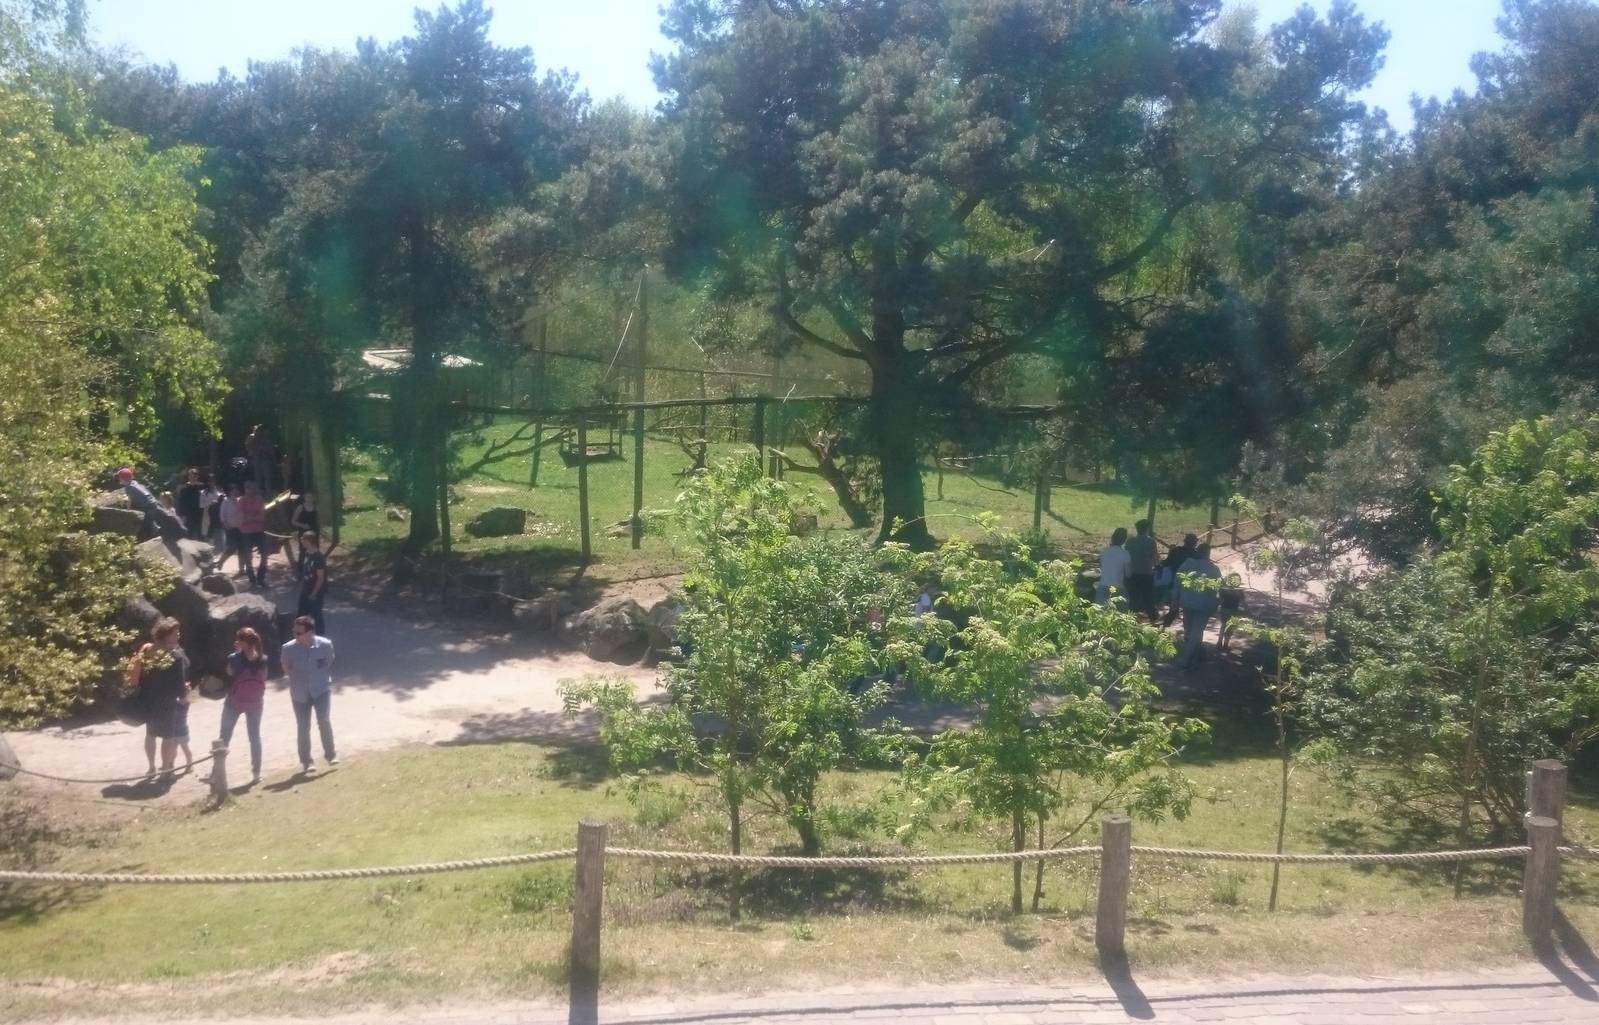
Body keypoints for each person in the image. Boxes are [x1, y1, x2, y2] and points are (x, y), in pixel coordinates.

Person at [133, 618, 193, 778]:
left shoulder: (148, 651)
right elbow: (180, 683)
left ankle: (151, 767)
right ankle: (166, 770)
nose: (177, 636)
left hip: (149, 700)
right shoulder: (176, 656)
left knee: (150, 734)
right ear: (166, 635)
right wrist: (184, 697)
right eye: (174, 634)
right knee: (168, 737)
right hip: (168, 702)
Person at [282, 615, 337, 773]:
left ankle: (331, 754)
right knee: (303, 726)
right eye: (294, 632)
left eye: (299, 633)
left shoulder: (325, 645)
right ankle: (307, 761)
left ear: (310, 632)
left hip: (321, 689)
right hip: (299, 693)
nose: (296, 636)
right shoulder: (288, 648)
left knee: (324, 721)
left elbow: (328, 662)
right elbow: (286, 668)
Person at [219, 627, 268, 784]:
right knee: (254, 737)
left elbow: (229, 673)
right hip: (255, 703)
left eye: (239, 640)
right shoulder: (263, 659)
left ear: (244, 642)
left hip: (234, 701)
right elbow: (264, 678)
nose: (236, 642)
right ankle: (256, 773)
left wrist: (237, 653)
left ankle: (217, 773)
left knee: (224, 736)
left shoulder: (233, 658)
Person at [1175, 543, 1222, 670]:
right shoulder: (1214, 569)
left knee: (1190, 631)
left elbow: (1177, 582)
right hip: (1203, 604)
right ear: (1208, 553)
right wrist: (1216, 604)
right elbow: (1218, 589)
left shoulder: (1187, 564)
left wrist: (1175, 600)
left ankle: (1191, 657)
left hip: (1187, 602)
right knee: (1196, 631)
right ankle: (1190, 657)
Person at [118, 466, 184, 540]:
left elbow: (130, 500)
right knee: (166, 517)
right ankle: (178, 530)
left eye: (120, 478)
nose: (119, 479)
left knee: (147, 527)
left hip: (148, 507)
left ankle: (159, 536)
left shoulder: (129, 488)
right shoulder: (136, 483)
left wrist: (128, 510)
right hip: (154, 503)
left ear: (124, 478)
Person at [1160, 533, 1201, 627]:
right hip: (1188, 585)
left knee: (1174, 608)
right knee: (1187, 611)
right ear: (1195, 543)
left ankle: (1164, 628)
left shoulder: (1176, 551)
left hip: (1175, 582)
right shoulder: (1196, 555)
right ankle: (1187, 630)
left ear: (1184, 541)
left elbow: (1166, 563)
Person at [237, 480, 269, 587]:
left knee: (264, 554)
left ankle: (261, 578)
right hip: (246, 531)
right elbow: (241, 519)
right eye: (248, 488)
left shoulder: (259, 499)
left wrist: (250, 517)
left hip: (259, 530)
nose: (250, 490)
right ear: (245, 489)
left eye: (252, 488)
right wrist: (255, 517)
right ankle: (252, 579)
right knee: (248, 556)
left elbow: (263, 517)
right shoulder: (241, 500)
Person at [1125, 519, 1158, 620]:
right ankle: (1152, 617)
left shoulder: (1130, 541)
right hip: (1146, 573)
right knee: (1148, 597)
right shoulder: (1151, 542)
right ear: (1147, 529)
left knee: (1133, 597)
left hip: (1133, 573)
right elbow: (1155, 557)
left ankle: (1131, 617)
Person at [297, 531, 328, 634]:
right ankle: (302, 635)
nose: (301, 541)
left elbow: (320, 577)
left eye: (303, 539)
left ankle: (320, 637)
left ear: (309, 541)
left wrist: (314, 593)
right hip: (305, 590)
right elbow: (306, 571)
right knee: (301, 616)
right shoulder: (307, 554)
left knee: (316, 616)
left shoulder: (318, 557)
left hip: (314, 593)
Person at [1096, 527, 1131, 606]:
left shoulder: (1104, 552)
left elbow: (1102, 567)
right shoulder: (1125, 554)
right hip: (1118, 588)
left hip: (1102, 587)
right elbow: (1128, 574)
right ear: (1124, 540)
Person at [289, 491, 320, 576]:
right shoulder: (300, 508)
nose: (309, 499)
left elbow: (318, 520)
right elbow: (293, 521)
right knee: (303, 552)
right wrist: (302, 525)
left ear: (313, 498)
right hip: (304, 532)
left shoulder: (316, 507)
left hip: (314, 532)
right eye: (307, 497)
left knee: (315, 551)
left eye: (311, 497)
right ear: (304, 498)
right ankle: (300, 572)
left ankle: (316, 570)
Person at [217, 484, 244, 575]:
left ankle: (241, 570)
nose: (235, 492)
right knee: (231, 548)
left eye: (236, 490)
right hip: (230, 528)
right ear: (230, 491)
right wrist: (225, 525)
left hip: (241, 528)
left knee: (242, 549)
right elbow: (222, 515)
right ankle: (221, 562)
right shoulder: (225, 501)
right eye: (233, 490)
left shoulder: (241, 500)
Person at [1217, 573, 1245, 651]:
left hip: (1224, 609)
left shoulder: (1224, 589)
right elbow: (1244, 602)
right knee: (1230, 627)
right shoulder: (1239, 591)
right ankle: (1225, 644)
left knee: (1223, 626)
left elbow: (1219, 600)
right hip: (1233, 611)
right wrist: (1248, 611)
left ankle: (1219, 643)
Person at [176, 467, 205, 539]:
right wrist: (182, 515)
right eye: (191, 476)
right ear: (188, 477)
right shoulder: (184, 489)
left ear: (197, 476)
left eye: (194, 476)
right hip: (188, 514)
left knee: (201, 535)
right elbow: (181, 503)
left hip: (201, 514)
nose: (193, 478)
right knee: (189, 535)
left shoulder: (202, 487)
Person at [244, 425, 274, 495]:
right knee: (262, 478)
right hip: (260, 459)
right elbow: (248, 446)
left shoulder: (263, 438)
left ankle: (266, 493)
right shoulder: (255, 438)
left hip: (263, 459)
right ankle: (262, 493)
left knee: (264, 478)